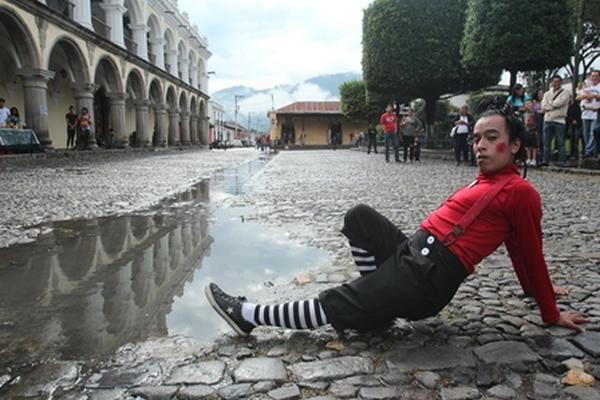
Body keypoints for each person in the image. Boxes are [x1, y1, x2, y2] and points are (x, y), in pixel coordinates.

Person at [205, 107, 589, 336]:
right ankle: (376, 307)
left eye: (492, 138)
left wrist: (549, 310)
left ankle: (249, 316)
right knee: (359, 218)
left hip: (428, 277)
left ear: (516, 146)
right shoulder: (488, 181)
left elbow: (527, 250)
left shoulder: (519, 191)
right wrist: (539, 293)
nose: (480, 146)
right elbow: (518, 251)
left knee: (338, 301)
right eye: (476, 139)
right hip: (413, 253)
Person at [541, 75, 571, 167]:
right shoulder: (547, 94)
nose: (556, 83)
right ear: (552, 82)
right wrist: (552, 105)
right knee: (546, 142)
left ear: (561, 82)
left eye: (558, 81)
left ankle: (562, 160)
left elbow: (560, 103)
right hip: (548, 119)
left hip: (559, 120)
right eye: (554, 82)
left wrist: (549, 105)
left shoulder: (565, 93)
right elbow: (543, 106)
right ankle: (545, 160)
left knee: (560, 142)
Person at [577, 70, 600, 158]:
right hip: (585, 113)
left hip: (595, 112)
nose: (594, 77)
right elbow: (578, 97)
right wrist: (584, 96)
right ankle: (589, 150)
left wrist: (594, 96)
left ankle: (589, 150)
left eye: (596, 76)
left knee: (593, 133)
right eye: (592, 76)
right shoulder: (587, 87)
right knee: (585, 133)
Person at [532, 89, 545, 164]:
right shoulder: (534, 102)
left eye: (542, 93)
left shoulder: (545, 101)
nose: (541, 95)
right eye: (539, 93)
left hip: (542, 120)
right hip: (535, 121)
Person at [523, 101, 538, 166]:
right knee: (528, 145)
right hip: (527, 130)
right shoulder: (524, 113)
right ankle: (528, 158)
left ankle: (534, 159)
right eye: (526, 104)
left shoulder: (534, 113)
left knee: (534, 146)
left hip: (533, 130)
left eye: (529, 104)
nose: (528, 105)